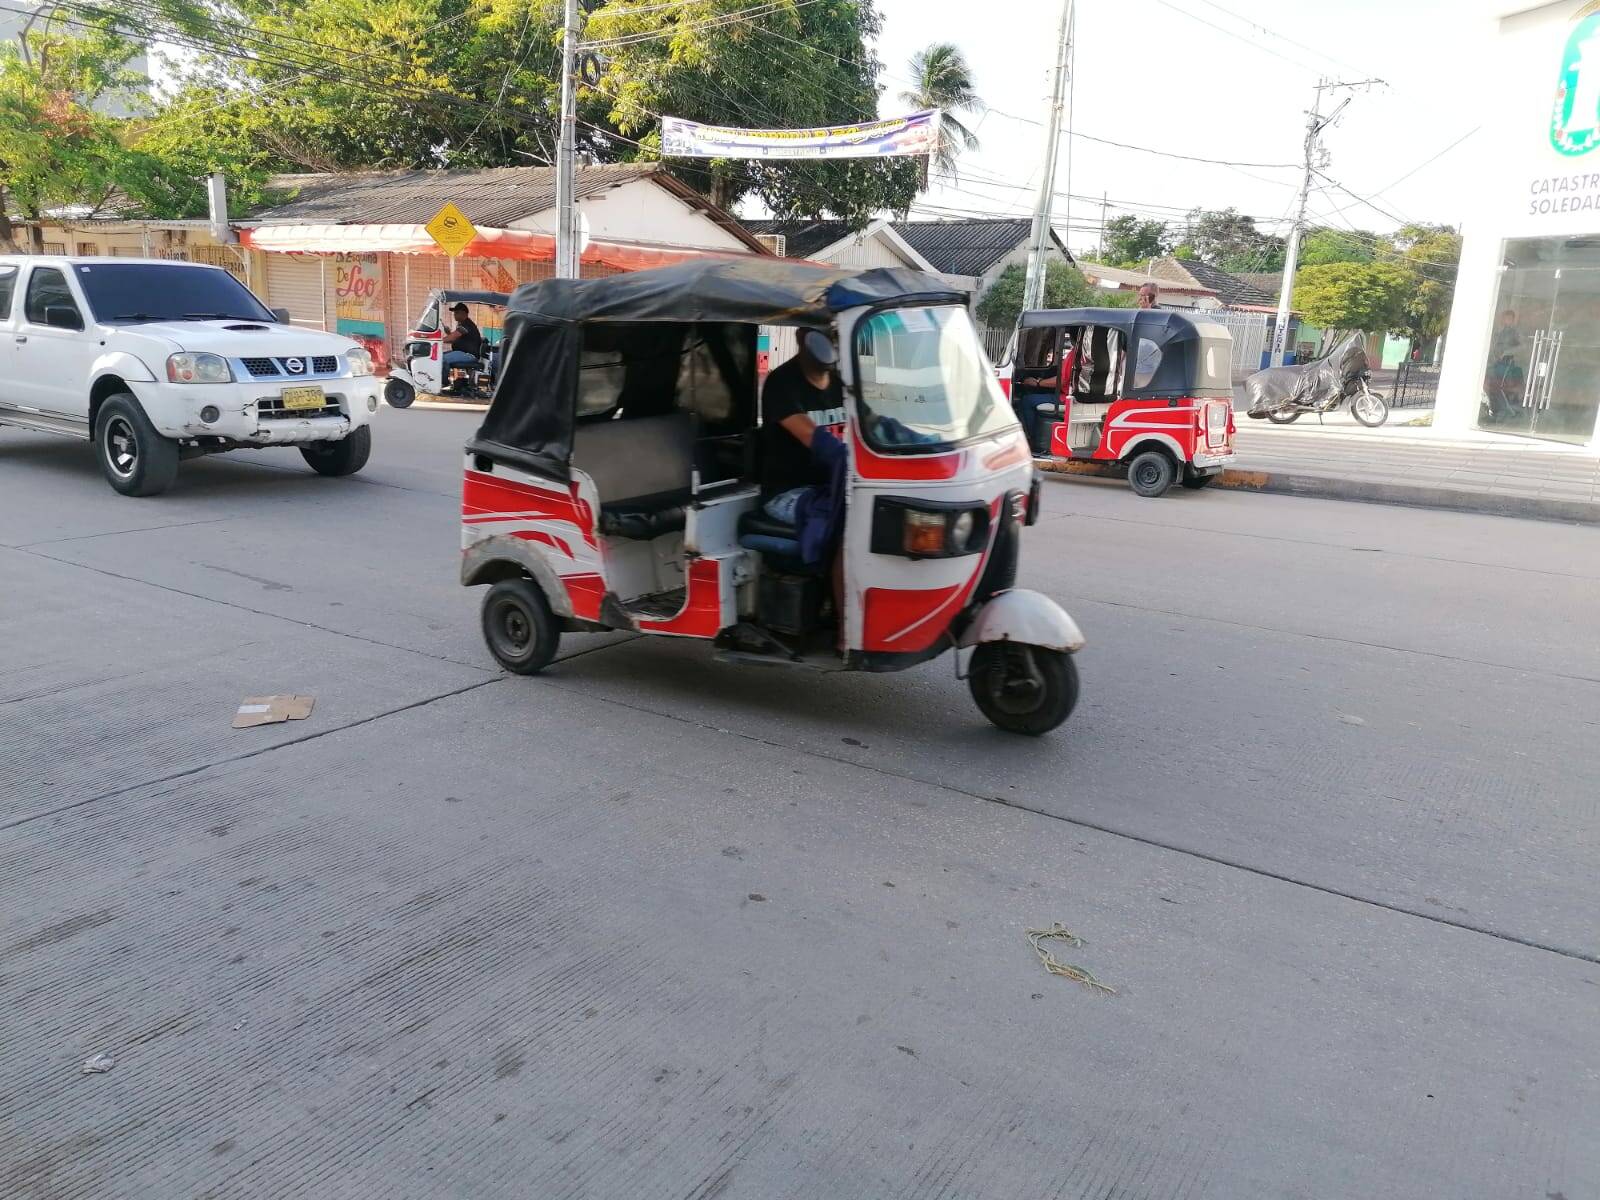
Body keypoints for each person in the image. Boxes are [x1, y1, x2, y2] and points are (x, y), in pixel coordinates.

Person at [760, 328, 846, 524]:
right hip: (788, 493)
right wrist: (850, 461)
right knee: (844, 523)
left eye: (833, 335)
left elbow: (871, 422)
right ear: (801, 337)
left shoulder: (839, 383)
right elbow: (813, 436)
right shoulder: (781, 382)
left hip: (831, 486)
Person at [441, 302, 484, 390]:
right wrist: (448, 333)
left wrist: (437, 340)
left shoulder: (466, 325)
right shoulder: (462, 325)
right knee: (439, 356)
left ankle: (443, 383)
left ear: (463, 313)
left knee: (442, 359)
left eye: (456, 312)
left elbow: (453, 337)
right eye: (454, 313)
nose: (454, 314)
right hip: (462, 353)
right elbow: (454, 340)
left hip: (468, 355)